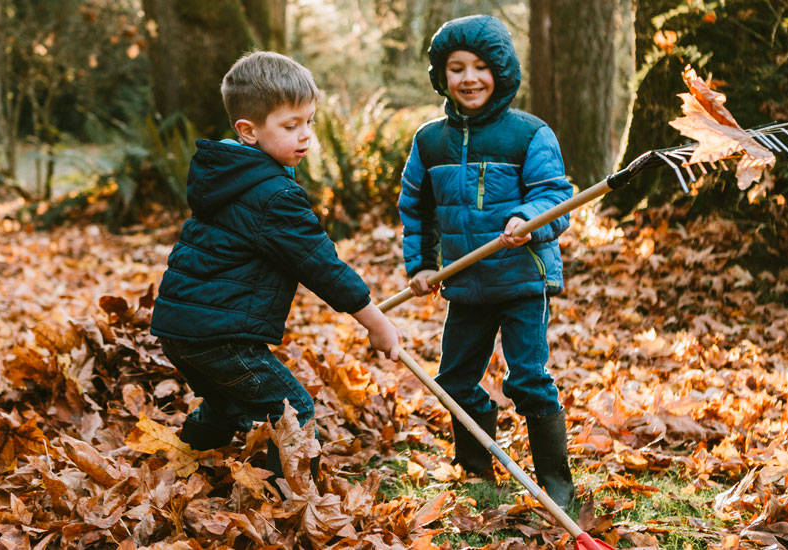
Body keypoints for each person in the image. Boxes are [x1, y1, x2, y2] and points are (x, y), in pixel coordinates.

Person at [150, 51, 401, 485]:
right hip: (220, 337)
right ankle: (292, 506)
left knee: (227, 405)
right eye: (290, 126)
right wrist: (375, 321)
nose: (305, 136)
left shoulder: (227, 174)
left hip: (182, 329)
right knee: (293, 412)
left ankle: (182, 461)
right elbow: (320, 264)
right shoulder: (272, 195)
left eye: (309, 122)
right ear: (248, 130)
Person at [397, 15, 575, 507]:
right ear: (442, 76)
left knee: (528, 380)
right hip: (465, 284)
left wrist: (528, 220)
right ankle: (476, 473)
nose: (469, 78)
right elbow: (416, 207)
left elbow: (555, 198)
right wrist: (421, 265)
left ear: (501, 72)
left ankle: (558, 487)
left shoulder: (528, 134)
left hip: (522, 280)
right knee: (452, 381)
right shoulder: (430, 141)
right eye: (456, 68)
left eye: (480, 67)